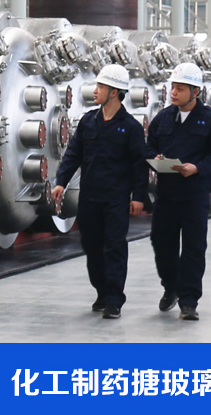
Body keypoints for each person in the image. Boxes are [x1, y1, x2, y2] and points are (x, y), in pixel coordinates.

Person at [51, 64, 149, 319]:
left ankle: (115, 299)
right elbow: (73, 154)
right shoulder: (88, 121)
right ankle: (102, 291)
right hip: (90, 196)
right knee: (91, 246)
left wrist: (138, 196)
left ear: (114, 92)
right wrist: (61, 181)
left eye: (101, 87)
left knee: (114, 246)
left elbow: (139, 165)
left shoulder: (131, 127)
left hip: (116, 198)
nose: (95, 91)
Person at [144, 62, 211, 321]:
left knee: (193, 247)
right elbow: (149, 146)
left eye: (180, 89)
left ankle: (189, 301)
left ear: (195, 91)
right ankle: (171, 287)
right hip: (166, 193)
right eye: (173, 88)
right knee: (162, 243)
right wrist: (155, 158)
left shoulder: (210, 120)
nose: (174, 93)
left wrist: (197, 168)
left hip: (194, 193)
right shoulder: (163, 118)